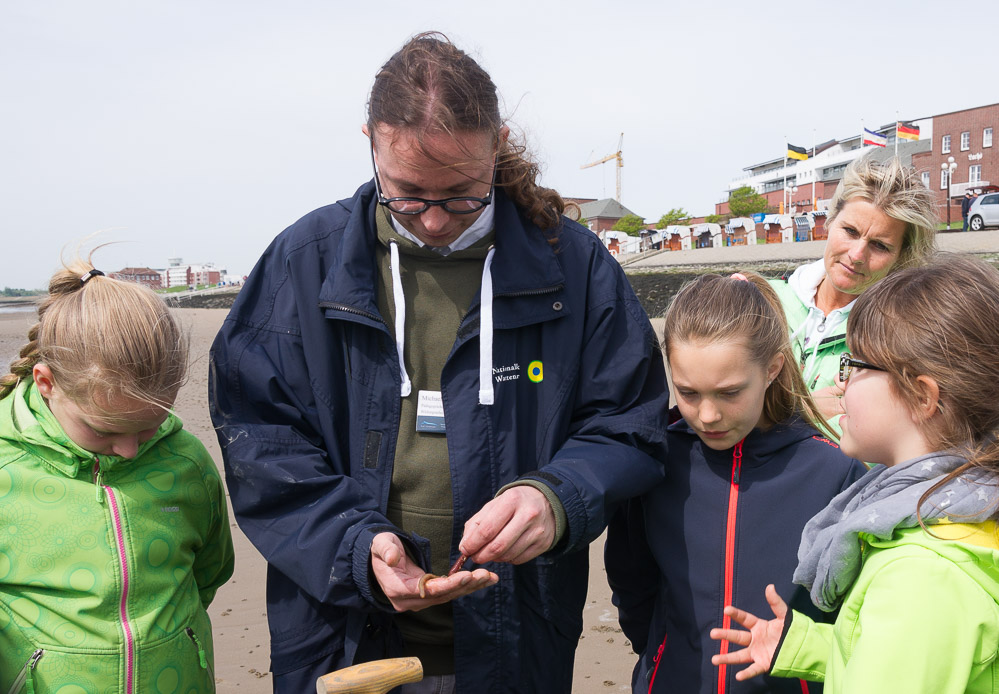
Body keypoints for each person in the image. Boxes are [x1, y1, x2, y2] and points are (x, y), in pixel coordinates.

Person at [209, 32, 669, 693]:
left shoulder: (574, 264)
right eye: (406, 194)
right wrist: (354, 546)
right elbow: (260, 441)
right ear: (369, 139)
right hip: (342, 640)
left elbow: (630, 422)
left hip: (519, 639)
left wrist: (557, 497)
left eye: (459, 195)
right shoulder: (298, 263)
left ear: (496, 143)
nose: (430, 221)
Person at [711, 254, 999, 693]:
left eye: (856, 365)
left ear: (923, 396)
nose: (842, 382)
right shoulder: (960, 517)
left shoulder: (922, 575)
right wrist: (805, 644)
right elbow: (910, 659)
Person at [605, 272, 866, 694]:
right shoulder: (654, 463)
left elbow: (850, 613)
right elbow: (632, 583)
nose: (707, 415)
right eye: (688, 392)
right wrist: (658, 657)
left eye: (729, 393)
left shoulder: (835, 471)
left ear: (772, 369)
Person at [0, 258, 235, 692]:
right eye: (104, 429)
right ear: (46, 382)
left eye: (149, 428)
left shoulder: (186, 462)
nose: (129, 450)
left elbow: (210, 571)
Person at [769, 156, 937, 428]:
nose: (857, 255)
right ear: (830, 221)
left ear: (902, 257)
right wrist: (799, 411)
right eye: (850, 231)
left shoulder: (899, 341)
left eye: (880, 246)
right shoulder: (763, 301)